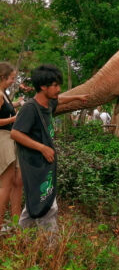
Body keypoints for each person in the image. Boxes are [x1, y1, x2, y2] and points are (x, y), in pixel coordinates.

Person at [11, 64, 87, 231]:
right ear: (43, 87)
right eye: (55, 85)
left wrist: (77, 98)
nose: (58, 89)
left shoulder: (49, 104)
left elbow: (60, 100)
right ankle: (52, 246)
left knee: (37, 200)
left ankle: (19, 237)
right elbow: (16, 133)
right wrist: (42, 148)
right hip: (34, 162)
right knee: (47, 202)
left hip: (46, 162)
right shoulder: (30, 108)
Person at [0, 62, 24, 231]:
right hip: (3, 139)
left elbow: (5, 109)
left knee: (18, 181)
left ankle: (16, 224)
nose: (13, 81)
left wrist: (17, 103)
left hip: (11, 138)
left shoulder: (4, 94)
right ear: (3, 77)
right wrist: (13, 120)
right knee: (5, 185)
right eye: (11, 78)